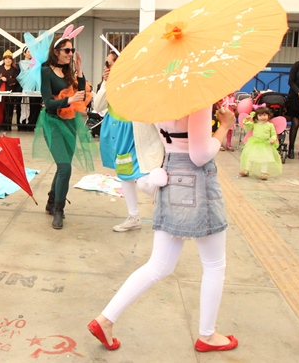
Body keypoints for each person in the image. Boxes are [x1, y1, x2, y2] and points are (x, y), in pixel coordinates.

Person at [89, 105, 237, 353]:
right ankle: (207, 336)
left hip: (169, 175)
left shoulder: (160, 97)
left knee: (159, 265)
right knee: (214, 265)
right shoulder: (195, 97)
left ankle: (105, 320)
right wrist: (223, 127)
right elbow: (199, 155)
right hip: (197, 183)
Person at [33, 26, 95, 229]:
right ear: (56, 51)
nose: (70, 53)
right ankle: (58, 210)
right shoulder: (46, 71)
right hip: (52, 122)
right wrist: (68, 100)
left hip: (70, 122)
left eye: (72, 50)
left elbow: (81, 94)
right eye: (67, 50)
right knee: (65, 167)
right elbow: (48, 103)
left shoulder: (69, 71)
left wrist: (80, 70)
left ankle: (52, 202)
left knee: (63, 167)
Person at [94, 51, 163, 232]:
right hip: (117, 135)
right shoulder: (109, 85)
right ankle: (133, 216)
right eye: (106, 64)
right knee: (125, 175)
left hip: (136, 136)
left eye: (110, 64)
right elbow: (98, 105)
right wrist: (106, 83)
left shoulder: (137, 83)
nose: (107, 68)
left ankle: (168, 202)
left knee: (144, 180)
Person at [239, 106, 282, 180]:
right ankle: (246, 170)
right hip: (255, 144)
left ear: (268, 115)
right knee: (250, 157)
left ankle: (264, 173)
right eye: (260, 115)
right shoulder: (255, 124)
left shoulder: (270, 125)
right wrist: (247, 120)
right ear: (257, 117)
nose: (263, 117)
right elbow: (248, 127)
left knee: (264, 159)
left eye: (265, 115)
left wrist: (273, 139)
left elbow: (274, 134)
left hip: (265, 144)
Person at [0, 50, 20, 131]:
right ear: (3, 60)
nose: (8, 60)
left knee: (8, 108)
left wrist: (7, 80)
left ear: (12, 60)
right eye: (6, 59)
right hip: (0, 92)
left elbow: (16, 80)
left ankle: (7, 125)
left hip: (9, 93)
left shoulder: (15, 70)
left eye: (9, 59)